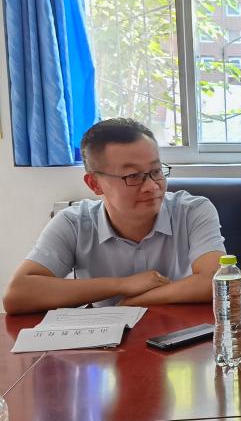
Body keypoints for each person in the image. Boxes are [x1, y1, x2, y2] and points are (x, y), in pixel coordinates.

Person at [3, 118, 226, 314]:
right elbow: (18, 295)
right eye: (133, 176)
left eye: (156, 171)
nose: (152, 186)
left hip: (181, 334)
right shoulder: (73, 223)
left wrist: (136, 301)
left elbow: (217, 281)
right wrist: (123, 285)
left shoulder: (193, 211)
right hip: (106, 341)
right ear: (95, 184)